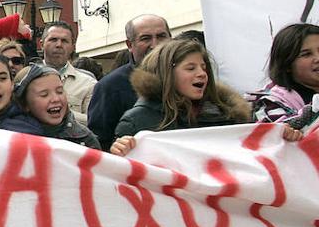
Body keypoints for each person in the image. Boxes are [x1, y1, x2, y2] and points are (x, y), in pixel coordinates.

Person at [110, 39, 259, 156]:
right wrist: (120, 151)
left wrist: (279, 136)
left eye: (204, 67)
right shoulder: (136, 122)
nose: (202, 74)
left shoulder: (229, 115)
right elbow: (122, 178)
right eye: (191, 68)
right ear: (167, 73)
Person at [87, 14, 171, 151]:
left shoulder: (187, 79)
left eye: (161, 36)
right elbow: (99, 143)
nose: (155, 44)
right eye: (146, 38)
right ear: (130, 45)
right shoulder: (110, 87)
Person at [245, 23, 319, 129]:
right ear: (287, 64)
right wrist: (312, 112)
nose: (318, 58)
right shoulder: (269, 102)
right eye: (306, 54)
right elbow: (274, 131)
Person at [13, 64, 100, 148]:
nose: (56, 99)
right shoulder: (10, 136)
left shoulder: (84, 139)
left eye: (60, 91)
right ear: (24, 103)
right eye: (44, 95)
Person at [39, 21, 97, 125]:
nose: (59, 45)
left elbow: (93, 121)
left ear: (73, 47)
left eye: (64, 41)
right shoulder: (26, 78)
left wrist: (63, 112)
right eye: (53, 40)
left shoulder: (88, 84)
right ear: (41, 44)